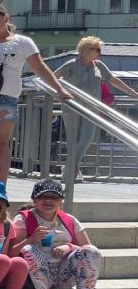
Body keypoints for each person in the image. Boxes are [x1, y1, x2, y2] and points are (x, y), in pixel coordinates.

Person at [0, 3, 71, 184]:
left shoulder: (22, 42)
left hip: (6, 97)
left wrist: (59, 89)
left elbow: (39, 67)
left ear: (6, 18)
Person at [10, 178, 105, 289]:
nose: (48, 201)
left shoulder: (70, 220)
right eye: (43, 196)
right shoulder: (23, 219)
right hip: (34, 276)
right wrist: (31, 239)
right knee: (28, 249)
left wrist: (70, 247)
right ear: (34, 200)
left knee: (92, 251)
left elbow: (88, 250)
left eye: (54, 197)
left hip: (63, 274)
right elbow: (11, 253)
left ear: (61, 201)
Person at [55, 35, 138, 181]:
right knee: (73, 139)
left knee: (87, 136)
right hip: (71, 106)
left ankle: (69, 168)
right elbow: (52, 77)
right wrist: (59, 92)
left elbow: (113, 80)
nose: (100, 52)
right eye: (97, 49)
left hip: (92, 107)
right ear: (85, 50)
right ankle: (72, 170)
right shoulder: (70, 64)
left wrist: (132, 93)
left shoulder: (99, 65)